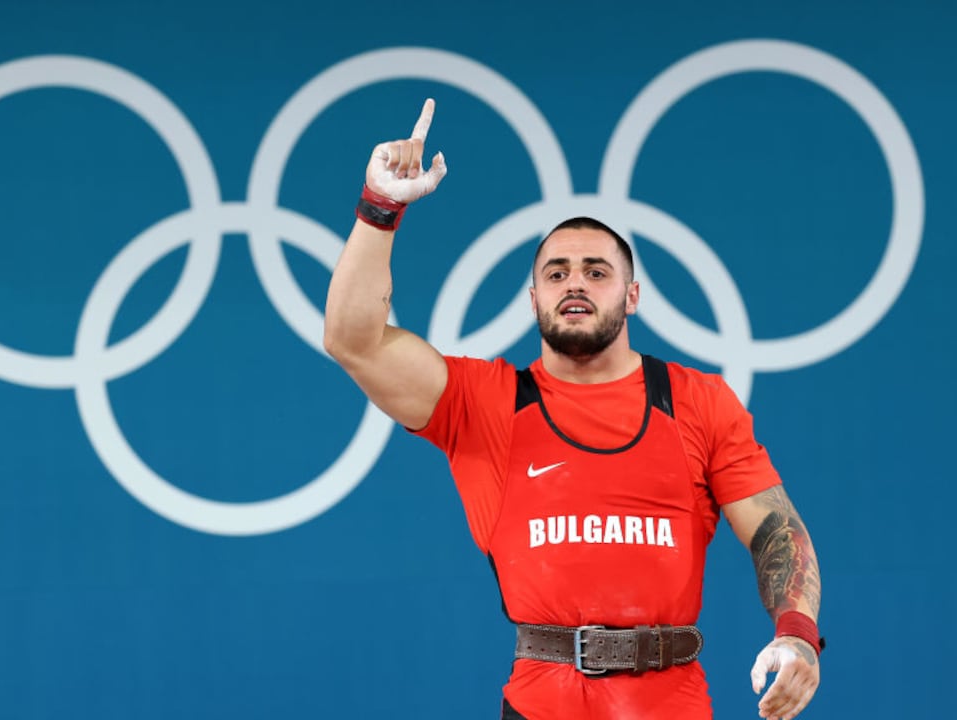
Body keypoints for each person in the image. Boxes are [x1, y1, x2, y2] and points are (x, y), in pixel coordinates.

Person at [323, 99, 823, 720]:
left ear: (632, 294)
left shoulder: (699, 402)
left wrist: (797, 632)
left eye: (596, 270)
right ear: (534, 298)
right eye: (556, 274)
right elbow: (354, 340)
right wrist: (379, 207)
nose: (575, 283)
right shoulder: (482, 403)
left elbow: (777, 529)